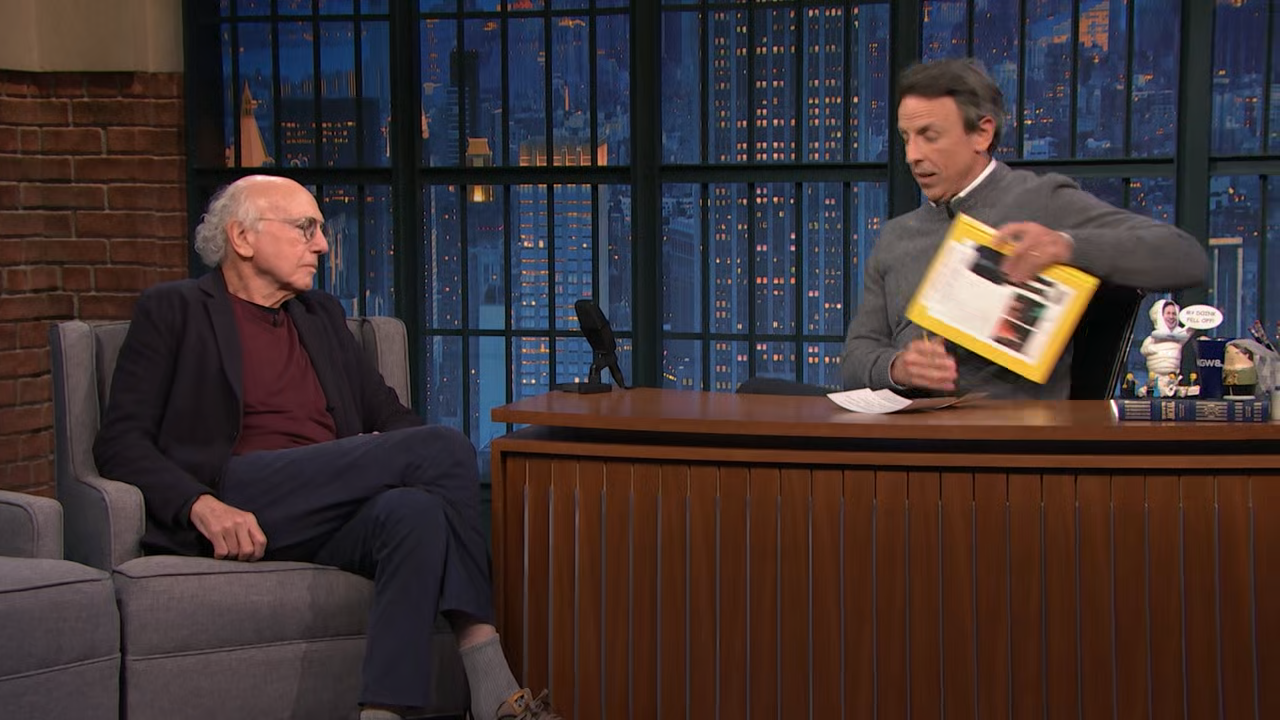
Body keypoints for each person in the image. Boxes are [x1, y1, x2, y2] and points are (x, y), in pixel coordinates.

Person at [93, 175, 560, 720]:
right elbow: (120, 442)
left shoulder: (321, 316)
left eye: (319, 229)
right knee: (447, 447)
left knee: (416, 513)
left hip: (326, 505)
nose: (321, 244)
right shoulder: (174, 309)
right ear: (242, 237)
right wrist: (200, 504)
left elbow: (392, 417)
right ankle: (488, 670)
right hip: (238, 492)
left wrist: (376, 459)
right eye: (305, 228)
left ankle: (382, 712)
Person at [840, 59, 1208, 399]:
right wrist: (897, 368)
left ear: (982, 133)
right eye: (906, 137)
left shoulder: (1043, 202)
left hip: (1015, 438)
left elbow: (1187, 257)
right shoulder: (895, 237)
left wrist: (1065, 246)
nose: (912, 155)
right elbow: (855, 357)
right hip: (907, 435)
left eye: (929, 136)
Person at [1139, 298, 1193, 393]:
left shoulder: (1179, 338)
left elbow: (1190, 329)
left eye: (1174, 313)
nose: (1171, 317)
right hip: (1155, 380)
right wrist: (1152, 348)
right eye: (1168, 313)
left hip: (1173, 380)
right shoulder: (1151, 339)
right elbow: (1144, 350)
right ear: (1160, 315)